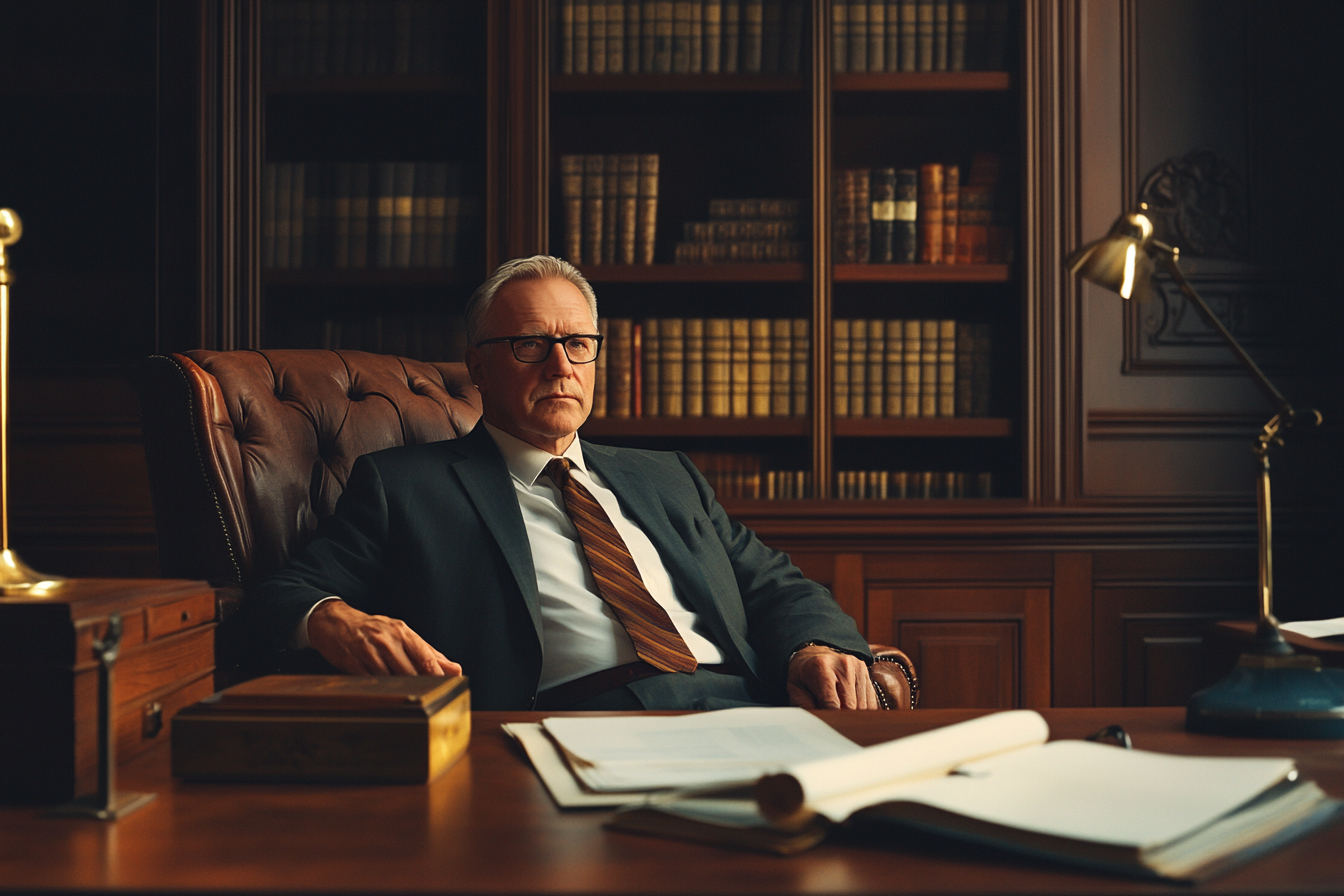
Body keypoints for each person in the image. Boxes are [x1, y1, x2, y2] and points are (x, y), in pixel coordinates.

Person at [251, 256, 883, 711]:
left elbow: (773, 584)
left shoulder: (666, 476)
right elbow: (284, 593)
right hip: (586, 720)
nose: (561, 366)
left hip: (748, 707)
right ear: (479, 365)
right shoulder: (405, 487)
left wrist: (810, 648)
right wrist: (332, 618)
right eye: (530, 344)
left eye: (578, 343)